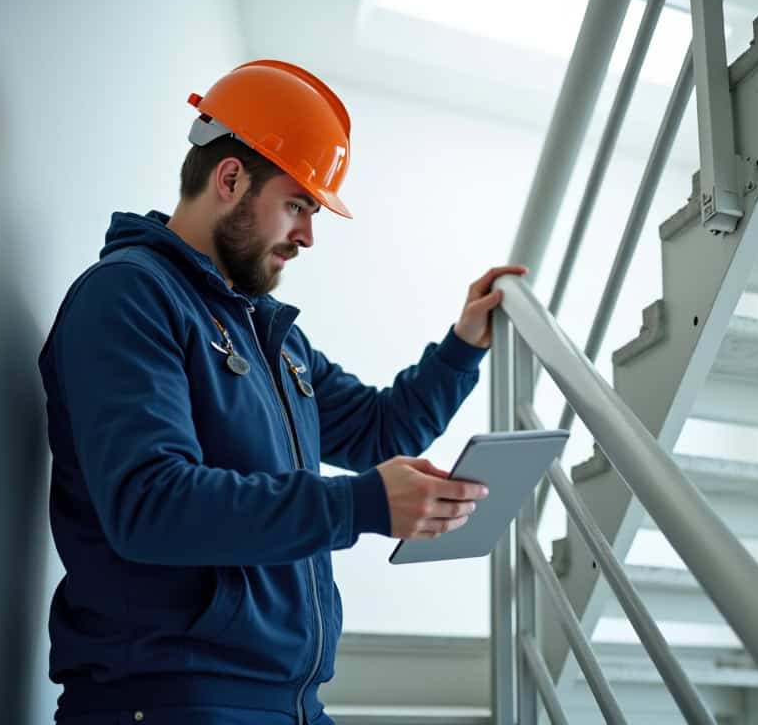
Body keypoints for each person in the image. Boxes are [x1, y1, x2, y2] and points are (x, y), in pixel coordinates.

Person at [38, 59, 527, 724]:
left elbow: (380, 431)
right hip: (171, 699)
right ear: (231, 178)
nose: (308, 236)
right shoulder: (128, 296)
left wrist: (463, 345)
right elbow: (149, 504)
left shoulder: (270, 336)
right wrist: (360, 504)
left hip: (288, 705)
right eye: (297, 204)